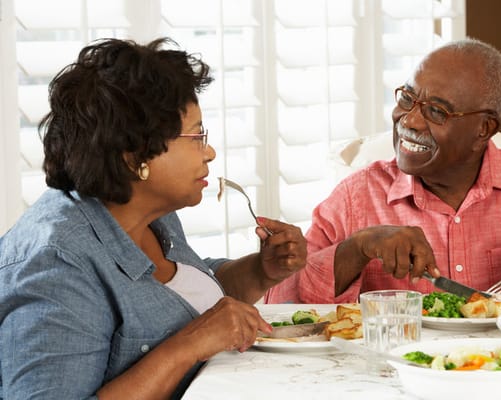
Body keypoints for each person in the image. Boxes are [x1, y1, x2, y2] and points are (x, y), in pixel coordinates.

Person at [0, 37, 307, 399]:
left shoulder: (147, 213)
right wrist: (187, 345)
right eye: (196, 136)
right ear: (134, 157)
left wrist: (260, 271)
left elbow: (183, 298)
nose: (209, 152)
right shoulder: (55, 266)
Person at [264, 37, 501, 304]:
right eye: (408, 99)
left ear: (483, 129)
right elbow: (281, 303)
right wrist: (358, 248)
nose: (409, 120)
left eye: (436, 112)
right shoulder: (357, 197)